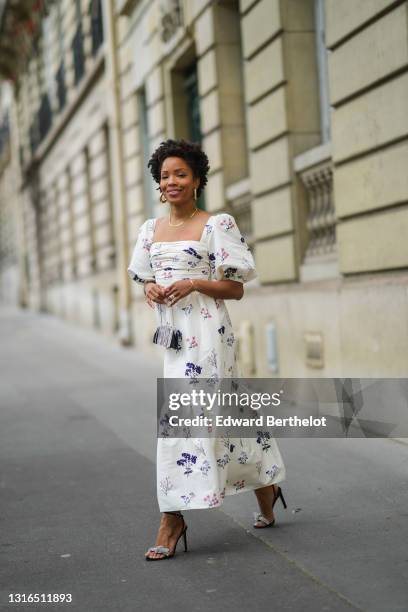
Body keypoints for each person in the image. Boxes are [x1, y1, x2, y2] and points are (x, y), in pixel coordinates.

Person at [128, 139, 287, 561]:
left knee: (213, 416)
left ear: (197, 179)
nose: (172, 181)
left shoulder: (217, 225)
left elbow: (234, 288)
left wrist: (194, 282)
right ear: (159, 185)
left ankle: (262, 484)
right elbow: (143, 276)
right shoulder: (150, 231)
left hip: (211, 334)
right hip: (175, 338)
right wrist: (151, 288)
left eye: (181, 174)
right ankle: (175, 515)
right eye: (165, 176)